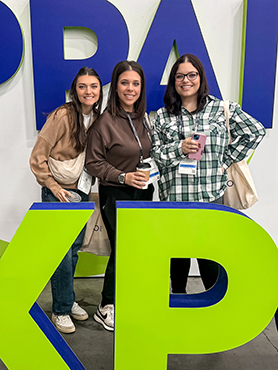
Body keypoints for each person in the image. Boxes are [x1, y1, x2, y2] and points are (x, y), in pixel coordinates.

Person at [151, 53, 266, 294]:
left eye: (192, 75)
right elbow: (156, 155)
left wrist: (225, 159)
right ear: (173, 81)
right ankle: (178, 304)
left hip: (210, 195)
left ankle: (213, 309)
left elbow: (255, 132)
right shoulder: (163, 116)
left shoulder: (221, 109)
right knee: (178, 258)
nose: (186, 80)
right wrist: (179, 148)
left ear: (200, 77)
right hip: (175, 198)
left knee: (210, 257)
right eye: (180, 76)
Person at [30, 67, 103, 333]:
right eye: (83, 86)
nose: (88, 91)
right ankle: (60, 309)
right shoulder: (62, 115)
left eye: (93, 86)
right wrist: (52, 185)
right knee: (61, 251)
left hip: (81, 191)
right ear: (75, 90)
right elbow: (37, 157)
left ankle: (67, 299)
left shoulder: (97, 117)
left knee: (73, 249)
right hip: (57, 192)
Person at [86, 60, 154, 331]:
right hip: (115, 194)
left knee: (135, 249)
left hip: (144, 193)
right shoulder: (105, 122)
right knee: (122, 248)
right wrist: (123, 176)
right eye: (124, 82)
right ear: (115, 86)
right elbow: (93, 162)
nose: (130, 88)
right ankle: (106, 306)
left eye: (135, 83)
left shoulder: (143, 118)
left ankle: (125, 298)